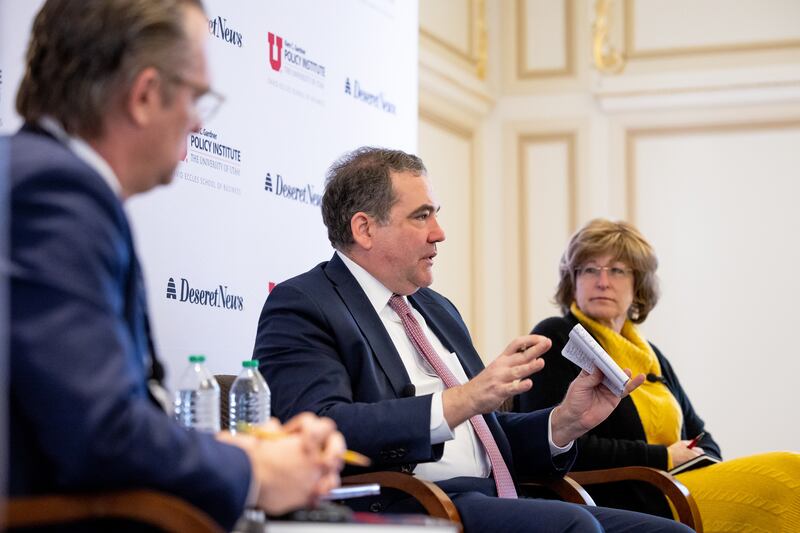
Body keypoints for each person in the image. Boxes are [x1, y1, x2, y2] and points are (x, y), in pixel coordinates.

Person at [7, 1, 344, 529]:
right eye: (196, 97)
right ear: (144, 95)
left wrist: (248, 445)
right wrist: (253, 468)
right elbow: (101, 438)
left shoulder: (42, 180)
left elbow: (83, 413)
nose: (195, 121)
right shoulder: (54, 193)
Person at [254, 146, 693, 532]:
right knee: (572, 525)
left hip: (494, 496)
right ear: (365, 229)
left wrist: (565, 422)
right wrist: (464, 399)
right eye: (421, 216)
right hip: (411, 502)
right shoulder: (305, 306)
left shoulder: (435, 307)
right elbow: (321, 431)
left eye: (436, 214)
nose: (439, 232)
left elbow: (486, 433)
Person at [514, 218, 800, 530]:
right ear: (573, 280)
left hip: (678, 487)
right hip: (624, 497)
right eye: (589, 269)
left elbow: (703, 438)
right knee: (787, 477)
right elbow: (552, 438)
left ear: (638, 285)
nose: (603, 281)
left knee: (788, 473)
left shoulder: (651, 355)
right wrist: (662, 457)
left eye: (618, 270)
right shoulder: (558, 336)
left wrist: (693, 456)